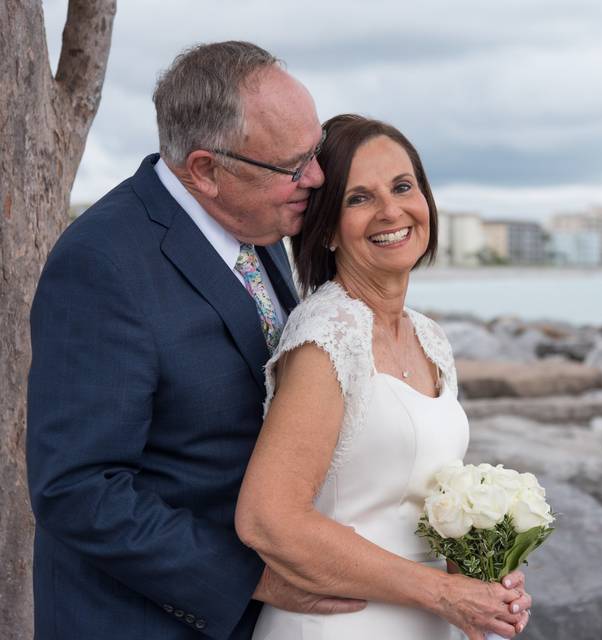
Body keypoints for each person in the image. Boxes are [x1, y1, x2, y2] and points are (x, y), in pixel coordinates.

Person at [26, 41, 363, 639]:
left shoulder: (260, 221)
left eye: (314, 152)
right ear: (206, 170)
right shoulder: (103, 262)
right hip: (144, 620)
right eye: (294, 166)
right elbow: (79, 490)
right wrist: (250, 581)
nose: (316, 177)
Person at [234, 114, 533, 640]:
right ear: (326, 228)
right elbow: (268, 518)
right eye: (359, 198)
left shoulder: (429, 338)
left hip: (426, 620)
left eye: (402, 186)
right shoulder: (325, 337)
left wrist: (483, 575)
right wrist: (441, 592)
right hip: (342, 627)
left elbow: (417, 502)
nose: (391, 211)